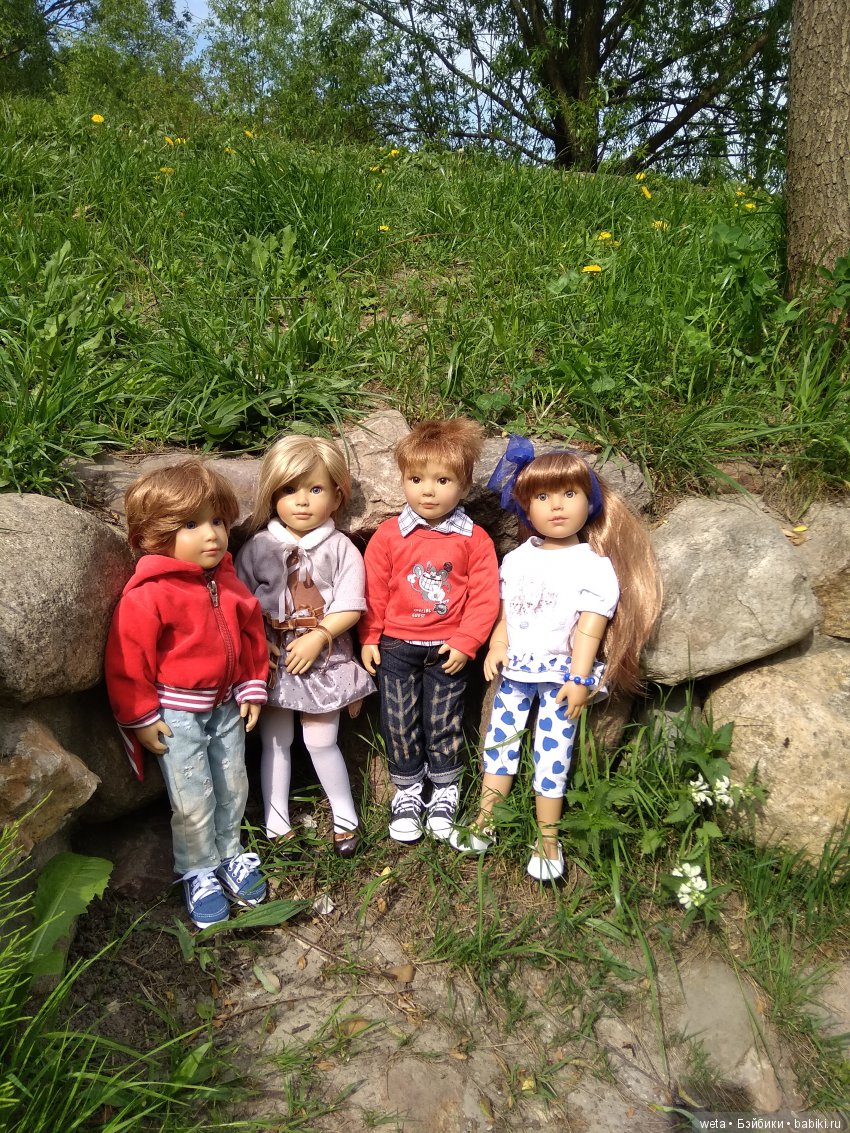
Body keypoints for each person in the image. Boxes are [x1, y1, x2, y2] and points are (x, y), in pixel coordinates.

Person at [450, 437, 661, 881]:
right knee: (499, 745)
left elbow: (590, 627)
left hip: (561, 675)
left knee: (553, 755)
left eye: (569, 494)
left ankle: (548, 838)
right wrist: (498, 643)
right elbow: (506, 610)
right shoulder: (517, 559)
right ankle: (486, 818)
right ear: (526, 506)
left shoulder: (593, 565)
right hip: (515, 672)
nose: (557, 506)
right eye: (543, 497)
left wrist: (581, 677)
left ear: (590, 501)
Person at [104, 461, 269, 928]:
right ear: (155, 536)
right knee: (191, 794)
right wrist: (140, 714)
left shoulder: (227, 580)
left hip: (226, 703)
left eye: (217, 520)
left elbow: (250, 633)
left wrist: (252, 684)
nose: (211, 535)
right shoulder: (149, 594)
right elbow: (127, 657)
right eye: (191, 525)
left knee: (233, 781)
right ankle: (197, 869)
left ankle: (230, 851)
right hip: (176, 712)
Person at [360, 418, 500, 843]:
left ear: (464, 485)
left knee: (444, 719)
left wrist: (467, 641)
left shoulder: (474, 539)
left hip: (447, 648)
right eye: (416, 479)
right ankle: (407, 790)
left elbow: (484, 596)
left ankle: (444, 788)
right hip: (396, 646)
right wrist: (369, 635)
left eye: (443, 480)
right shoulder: (389, 535)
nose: (428, 491)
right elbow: (374, 589)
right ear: (403, 480)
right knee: (398, 719)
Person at [235, 435, 374, 857]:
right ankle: (276, 820)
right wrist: (259, 639)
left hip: (323, 657)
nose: (301, 501)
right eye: (288, 490)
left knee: (321, 739)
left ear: (337, 496)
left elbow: (350, 605)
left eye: (315, 489)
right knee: (275, 739)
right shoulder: (258, 547)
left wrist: (320, 636)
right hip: (274, 657)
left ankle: (345, 815)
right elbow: (240, 602)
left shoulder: (340, 548)